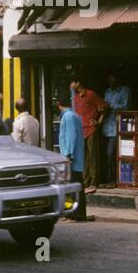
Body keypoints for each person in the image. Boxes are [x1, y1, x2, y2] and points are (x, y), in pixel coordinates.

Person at [55, 92, 87, 221]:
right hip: (76, 158)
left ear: (58, 104)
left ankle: (76, 214)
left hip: (71, 158)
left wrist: (69, 154)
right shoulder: (74, 116)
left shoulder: (67, 117)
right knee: (76, 186)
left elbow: (70, 137)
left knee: (73, 187)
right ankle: (76, 213)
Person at [70, 76, 104, 194]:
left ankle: (94, 182)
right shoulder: (75, 97)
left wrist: (98, 122)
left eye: (72, 83)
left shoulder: (90, 94)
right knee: (83, 157)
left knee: (93, 157)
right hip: (80, 131)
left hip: (91, 130)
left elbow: (104, 107)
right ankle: (85, 181)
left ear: (78, 83)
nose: (71, 85)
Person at [101, 71, 130, 187]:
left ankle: (113, 180)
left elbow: (126, 106)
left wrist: (111, 107)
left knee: (111, 153)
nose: (111, 81)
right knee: (105, 155)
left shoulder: (125, 90)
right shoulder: (107, 92)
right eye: (109, 78)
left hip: (117, 127)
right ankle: (106, 179)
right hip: (106, 126)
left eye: (113, 78)